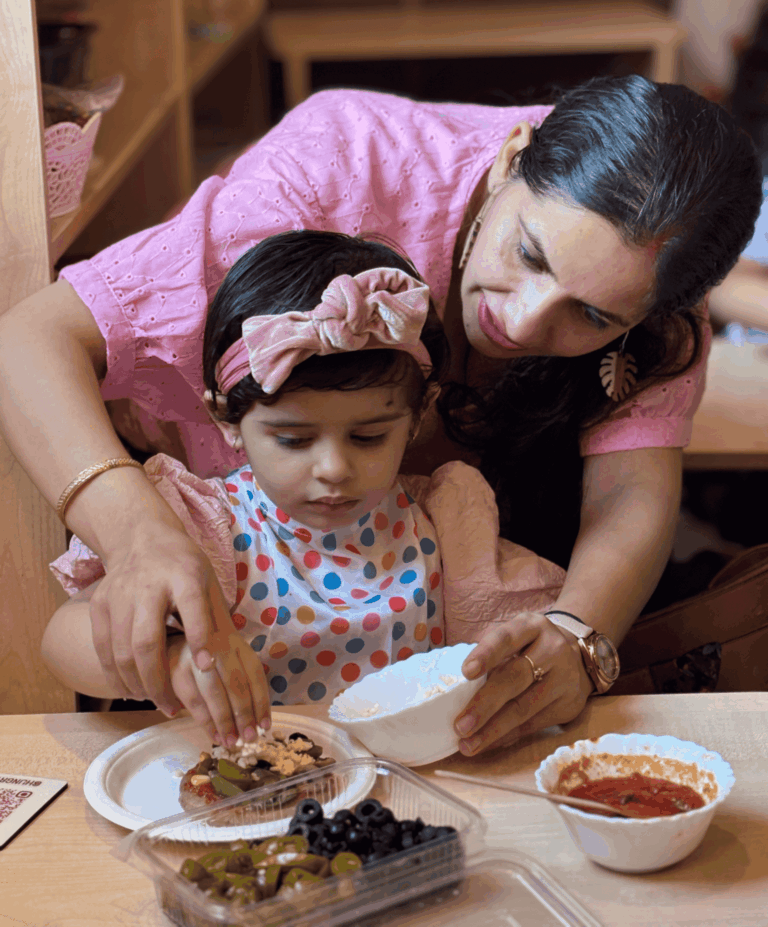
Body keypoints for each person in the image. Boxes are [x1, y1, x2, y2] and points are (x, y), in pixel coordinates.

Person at [0, 74, 760, 757]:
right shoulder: (339, 168)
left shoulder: (656, 268)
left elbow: (631, 492)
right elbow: (29, 339)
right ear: (510, 158)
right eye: (528, 255)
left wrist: (574, 639)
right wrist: (139, 535)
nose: (525, 326)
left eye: (591, 314)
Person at [40, 232, 564, 746]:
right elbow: (62, 640)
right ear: (226, 419)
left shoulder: (441, 522)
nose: (334, 468)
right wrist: (173, 656)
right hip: (260, 796)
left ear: (418, 416)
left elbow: (527, 622)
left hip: (411, 787)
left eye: (369, 436)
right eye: (293, 439)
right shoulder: (210, 529)